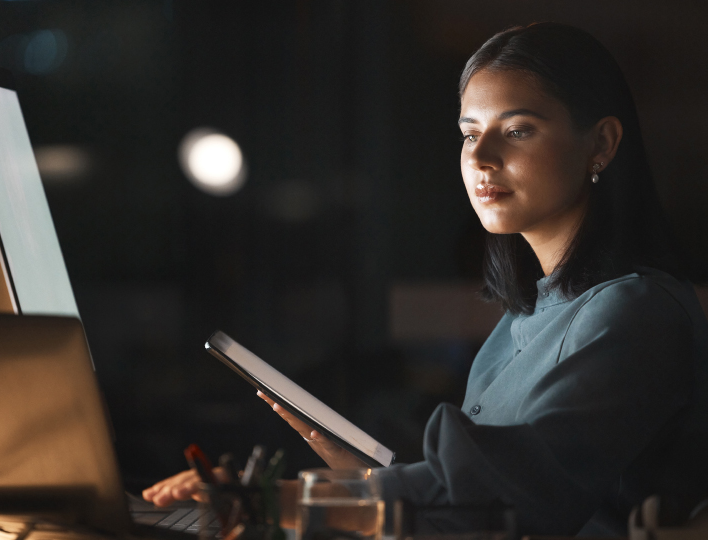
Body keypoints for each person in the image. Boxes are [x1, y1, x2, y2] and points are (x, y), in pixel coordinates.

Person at [143, 23, 708, 537]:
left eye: (517, 131)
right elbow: (463, 499)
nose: (481, 157)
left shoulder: (635, 312)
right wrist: (360, 475)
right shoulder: (525, 316)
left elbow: (501, 501)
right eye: (469, 133)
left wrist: (268, 499)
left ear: (602, 144)